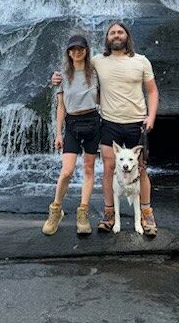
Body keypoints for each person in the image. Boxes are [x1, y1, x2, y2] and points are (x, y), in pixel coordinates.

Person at [52, 21, 159, 236]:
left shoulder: (141, 61)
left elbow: (152, 91)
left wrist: (152, 116)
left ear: (127, 36)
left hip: (137, 122)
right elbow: (74, 66)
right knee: (109, 168)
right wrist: (56, 78)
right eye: (112, 33)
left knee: (141, 168)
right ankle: (109, 212)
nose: (116, 35)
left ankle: (146, 211)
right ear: (107, 38)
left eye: (120, 32)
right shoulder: (97, 62)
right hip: (109, 123)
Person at [42, 34, 101, 236]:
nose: (77, 52)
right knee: (66, 171)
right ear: (68, 52)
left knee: (88, 168)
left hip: (93, 121)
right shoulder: (62, 76)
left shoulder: (95, 71)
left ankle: (83, 212)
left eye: (80, 48)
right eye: (73, 49)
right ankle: (56, 209)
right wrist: (58, 133)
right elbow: (61, 107)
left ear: (86, 50)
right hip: (72, 124)